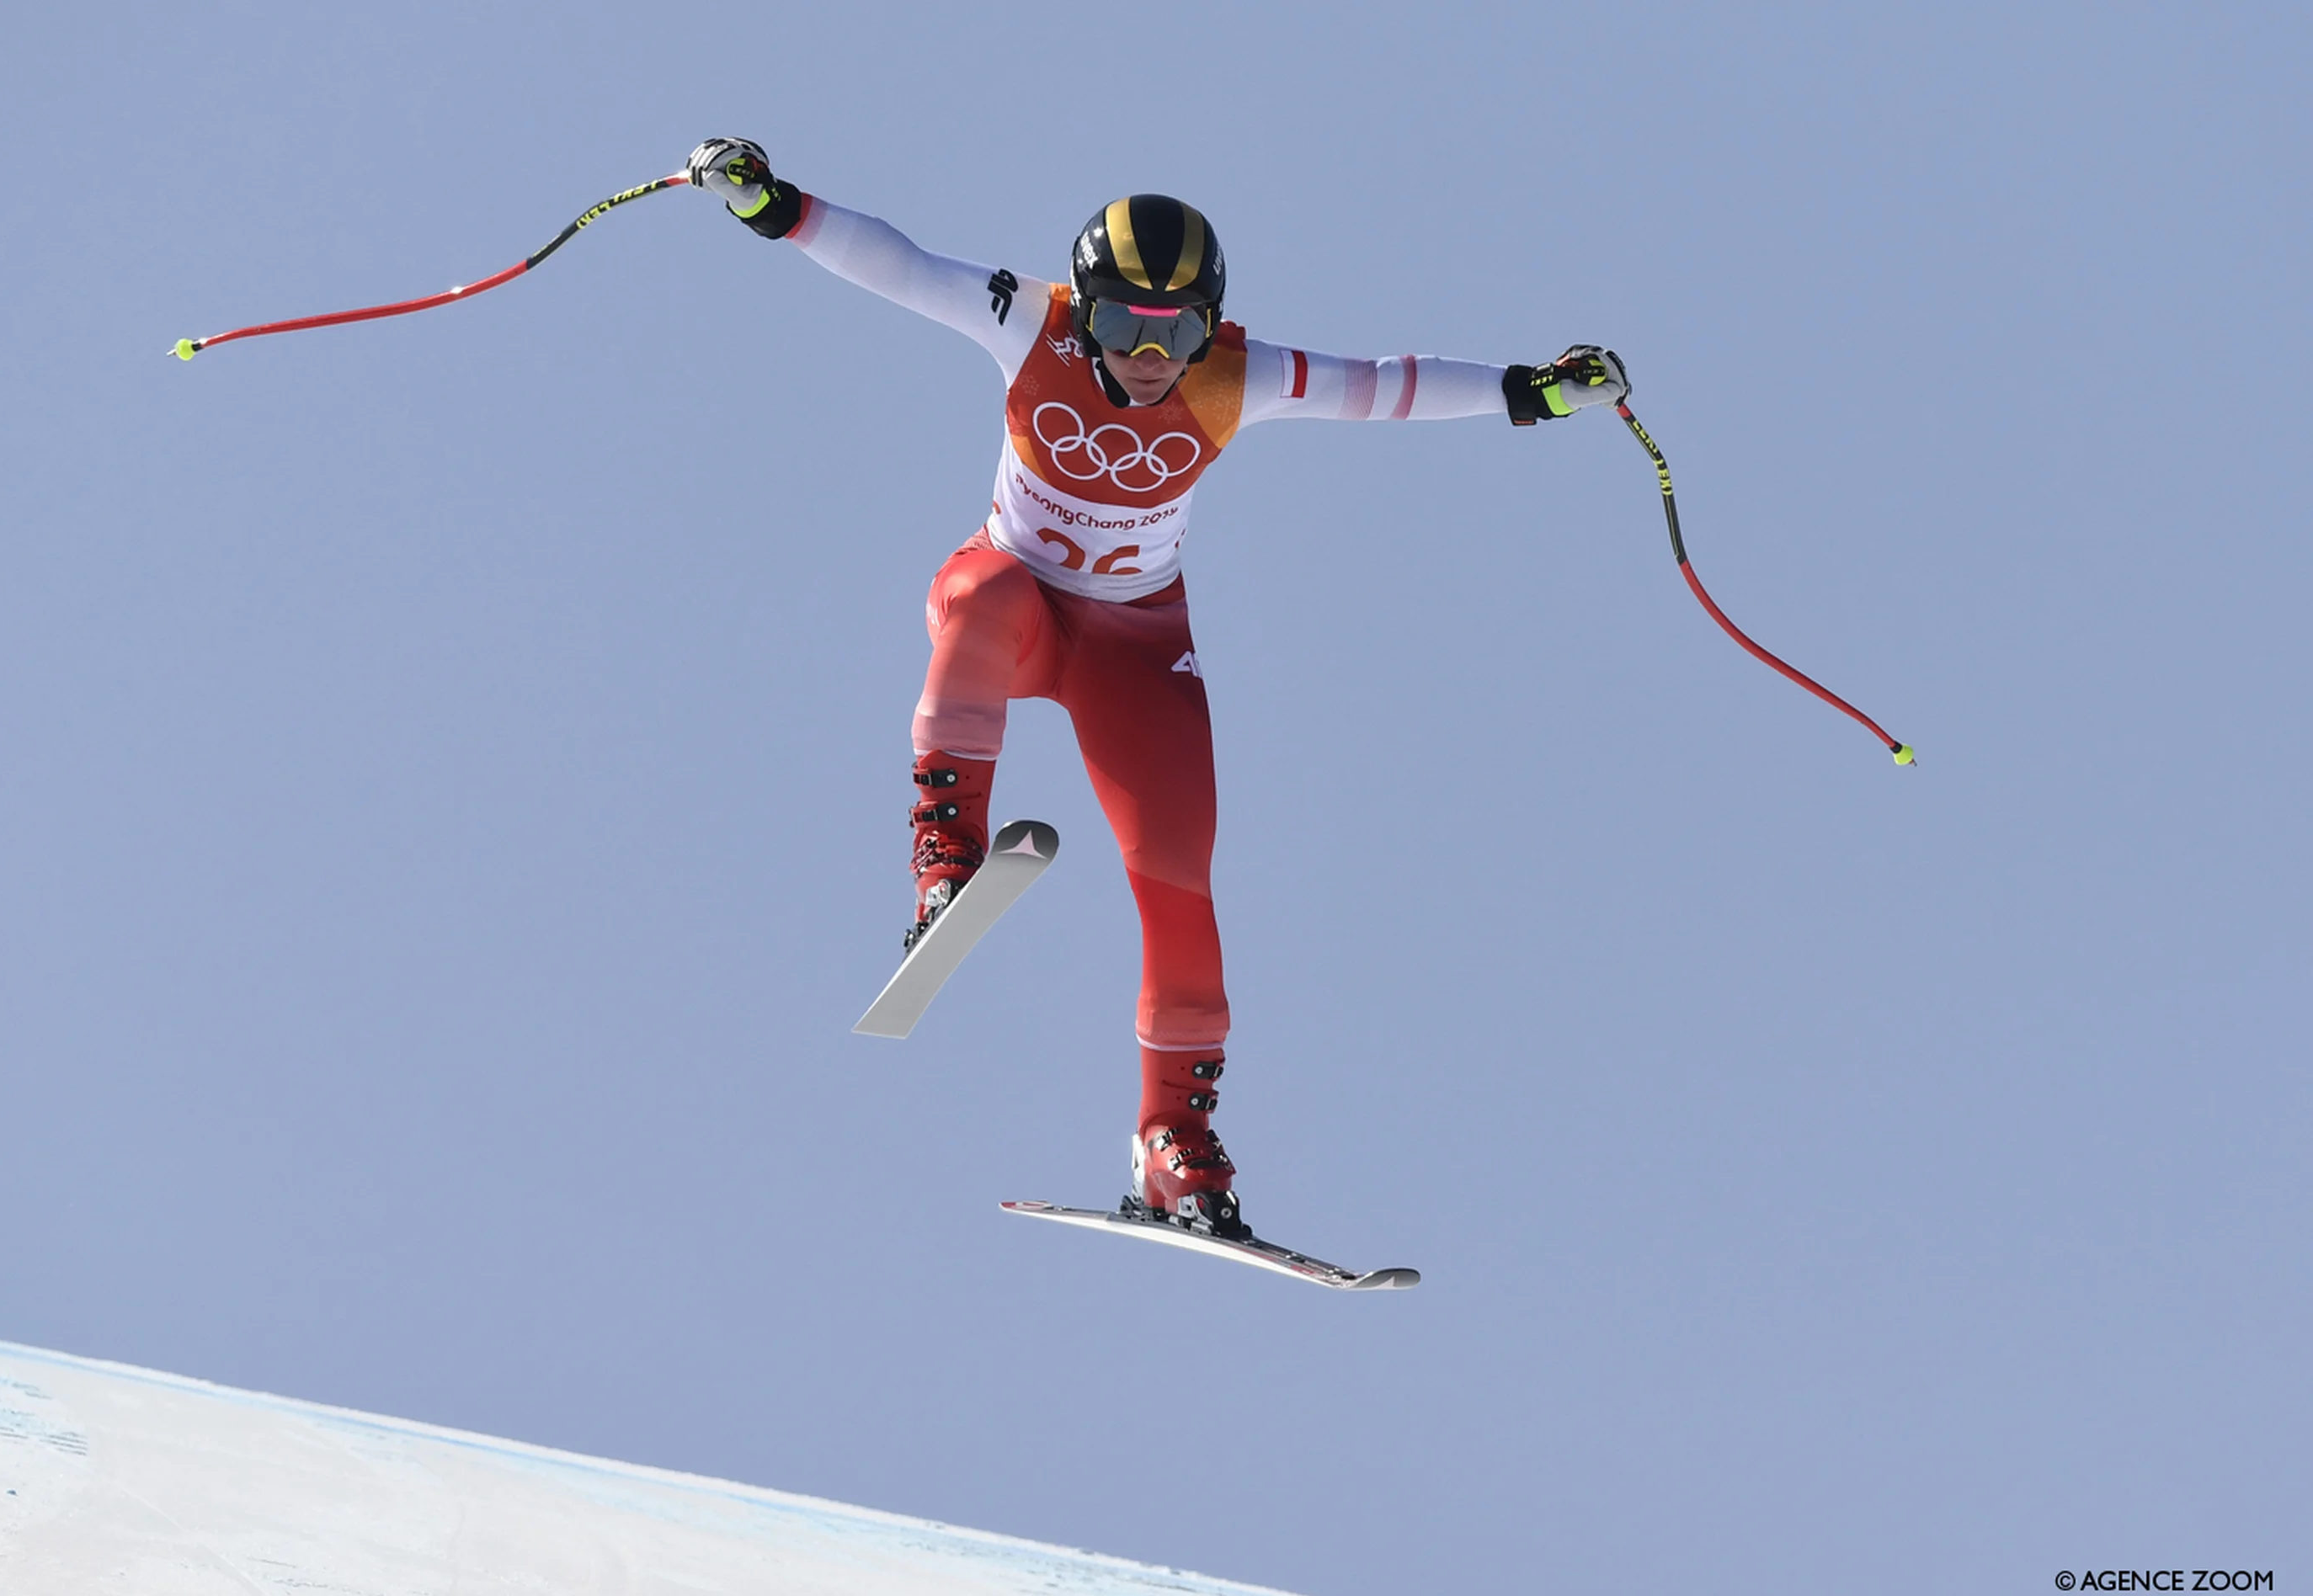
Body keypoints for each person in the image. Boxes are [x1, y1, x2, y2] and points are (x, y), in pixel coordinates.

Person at [687, 137, 1628, 1242]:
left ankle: (1171, 1138)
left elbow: (1383, 389)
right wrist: (772, 204)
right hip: (1016, 603)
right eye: (1124, 327)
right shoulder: (1024, 321)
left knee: (1180, 876)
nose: (1148, 354)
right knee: (983, 600)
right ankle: (945, 855)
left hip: (1136, 643)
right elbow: (899, 266)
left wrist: (1533, 394)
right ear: (1082, 313)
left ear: (1210, 327)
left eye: (1174, 333)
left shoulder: (1236, 376)